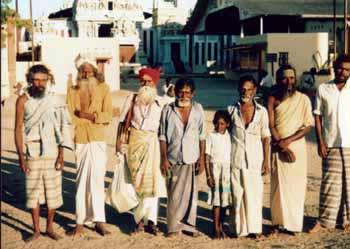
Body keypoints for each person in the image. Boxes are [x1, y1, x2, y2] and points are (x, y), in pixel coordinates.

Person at [14, 64, 68, 241]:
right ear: (30, 80)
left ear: (48, 80)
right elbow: (17, 129)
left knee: (52, 192)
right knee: (33, 192)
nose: (39, 83)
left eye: (43, 80)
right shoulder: (23, 100)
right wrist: (21, 157)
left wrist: (61, 154)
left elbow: (61, 127)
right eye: (36, 80)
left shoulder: (54, 100)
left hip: (52, 150)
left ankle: (50, 228)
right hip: (33, 152)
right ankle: (36, 230)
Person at [116, 67, 167, 235]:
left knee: (153, 184)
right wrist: (118, 144)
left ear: (155, 83)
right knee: (137, 183)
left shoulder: (161, 102)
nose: (146, 84)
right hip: (134, 144)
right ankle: (138, 221)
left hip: (153, 145)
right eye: (143, 81)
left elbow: (164, 130)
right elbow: (122, 123)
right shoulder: (132, 99)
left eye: (149, 81)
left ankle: (151, 221)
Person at [67, 55, 113, 236]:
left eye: (89, 70)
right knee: (81, 181)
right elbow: (71, 114)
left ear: (95, 72)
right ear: (79, 72)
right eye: (83, 70)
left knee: (97, 179)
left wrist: (90, 117)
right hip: (81, 139)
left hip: (98, 138)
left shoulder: (104, 89)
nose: (86, 73)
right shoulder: (72, 90)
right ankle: (80, 221)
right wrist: (85, 119)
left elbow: (108, 115)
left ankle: (99, 221)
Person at [268, 64, 314, 235]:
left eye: (292, 78)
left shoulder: (303, 99)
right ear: (279, 79)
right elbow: (271, 124)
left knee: (296, 185)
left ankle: (293, 224)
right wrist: (281, 144)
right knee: (277, 186)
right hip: (278, 145)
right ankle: (276, 222)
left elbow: (308, 126)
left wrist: (288, 141)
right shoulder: (273, 99)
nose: (288, 81)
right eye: (285, 78)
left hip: (296, 146)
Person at [159, 78, 206, 237]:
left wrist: (202, 160)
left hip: (192, 157)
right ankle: (173, 227)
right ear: (175, 92)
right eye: (181, 91)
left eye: (187, 92)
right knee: (173, 194)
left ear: (193, 94)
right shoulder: (168, 109)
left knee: (191, 194)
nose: (184, 95)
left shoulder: (198, 109)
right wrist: (164, 158)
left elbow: (202, 136)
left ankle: (189, 226)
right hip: (173, 157)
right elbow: (163, 136)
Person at [310, 54, 350, 233]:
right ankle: (324, 221)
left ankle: (346, 221)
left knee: (349, 183)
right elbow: (317, 116)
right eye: (340, 68)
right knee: (330, 182)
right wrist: (320, 142)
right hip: (331, 141)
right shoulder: (323, 88)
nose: (343, 72)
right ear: (334, 67)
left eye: (348, 69)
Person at [228, 75, 270, 238]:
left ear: (255, 91)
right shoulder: (231, 109)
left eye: (249, 89)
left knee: (254, 194)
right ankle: (238, 229)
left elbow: (266, 137)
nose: (245, 92)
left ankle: (255, 229)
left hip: (255, 158)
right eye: (243, 89)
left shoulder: (262, 112)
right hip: (236, 157)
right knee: (237, 194)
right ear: (239, 89)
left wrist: (266, 161)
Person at [205, 110, 232, 239]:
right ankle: (215, 228)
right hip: (215, 171)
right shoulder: (211, 135)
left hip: (226, 172)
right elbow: (206, 157)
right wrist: (208, 176)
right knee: (216, 202)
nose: (219, 126)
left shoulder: (230, 136)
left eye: (222, 124)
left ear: (227, 124)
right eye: (217, 123)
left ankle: (221, 226)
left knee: (225, 202)